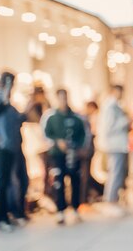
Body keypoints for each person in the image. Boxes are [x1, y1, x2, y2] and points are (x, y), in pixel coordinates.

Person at [0, 72, 26, 233]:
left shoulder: (7, 101)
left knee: (10, 182)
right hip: (2, 146)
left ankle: (8, 214)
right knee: (3, 183)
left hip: (11, 146)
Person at [44, 89, 86, 224]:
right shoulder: (52, 117)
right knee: (59, 182)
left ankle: (75, 208)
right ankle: (60, 211)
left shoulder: (75, 117)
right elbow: (47, 134)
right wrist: (57, 141)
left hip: (73, 154)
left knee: (75, 180)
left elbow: (82, 134)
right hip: (57, 155)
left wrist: (79, 146)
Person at [96, 85, 129, 216]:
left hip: (118, 145)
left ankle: (113, 200)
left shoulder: (115, 106)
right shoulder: (110, 106)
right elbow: (109, 127)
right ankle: (110, 201)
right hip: (114, 145)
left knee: (117, 173)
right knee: (115, 174)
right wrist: (125, 121)